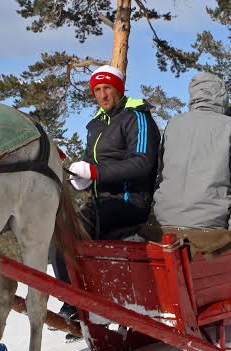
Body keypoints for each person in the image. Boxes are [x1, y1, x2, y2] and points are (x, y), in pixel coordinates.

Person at [57, 65, 161, 324]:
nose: (102, 95)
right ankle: (75, 298)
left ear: (119, 89)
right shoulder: (96, 124)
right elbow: (93, 164)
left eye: (107, 89)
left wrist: (95, 172)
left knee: (72, 228)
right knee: (59, 229)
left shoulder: (136, 116)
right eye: (97, 90)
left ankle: (79, 302)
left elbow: (143, 163)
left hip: (131, 202)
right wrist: (81, 179)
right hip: (102, 202)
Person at [153, 72, 231, 233]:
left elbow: (161, 173)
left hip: (167, 224)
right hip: (211, 227)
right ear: (222, 95)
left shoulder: (174, 124)